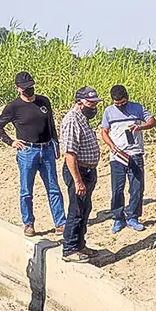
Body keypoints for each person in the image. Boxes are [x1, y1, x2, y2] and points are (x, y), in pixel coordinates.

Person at [0, 71, 66, 238]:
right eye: (26, 88)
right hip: (27, 151)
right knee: (26, 190)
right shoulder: (13, 107)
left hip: (46, 149)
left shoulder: (43, 101)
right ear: (17, 88)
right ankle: (28, 223)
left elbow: (51, 124)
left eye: (31, 87)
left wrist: (56, 145)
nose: (29, 90)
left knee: (53, 188)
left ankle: (60, 222)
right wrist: (11, 141)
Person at [99, 85, 156, 233]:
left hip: (135, 154)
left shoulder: (137, 108)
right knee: (117, 189)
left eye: (122, 103)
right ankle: (118, 218)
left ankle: (133, 217)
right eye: (116, 104)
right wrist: (111, 146)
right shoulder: (108, 111)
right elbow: (104, 132)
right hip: (117, 156)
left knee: (136, 188)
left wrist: (141, 127)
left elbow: (152, 121)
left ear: (127, 98)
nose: (119, 106)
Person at [60, 86, 103, 263]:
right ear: (79, 103)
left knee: (85, 209)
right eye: (90, 103)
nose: (93, 107)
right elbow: (70, 154)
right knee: (76, 210)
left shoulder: (83, 118)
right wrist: (78, 181)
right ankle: (69, 249)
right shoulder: (72, 120)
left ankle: (80, 244)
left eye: (95, 103)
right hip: (78, 171)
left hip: (88, 170)